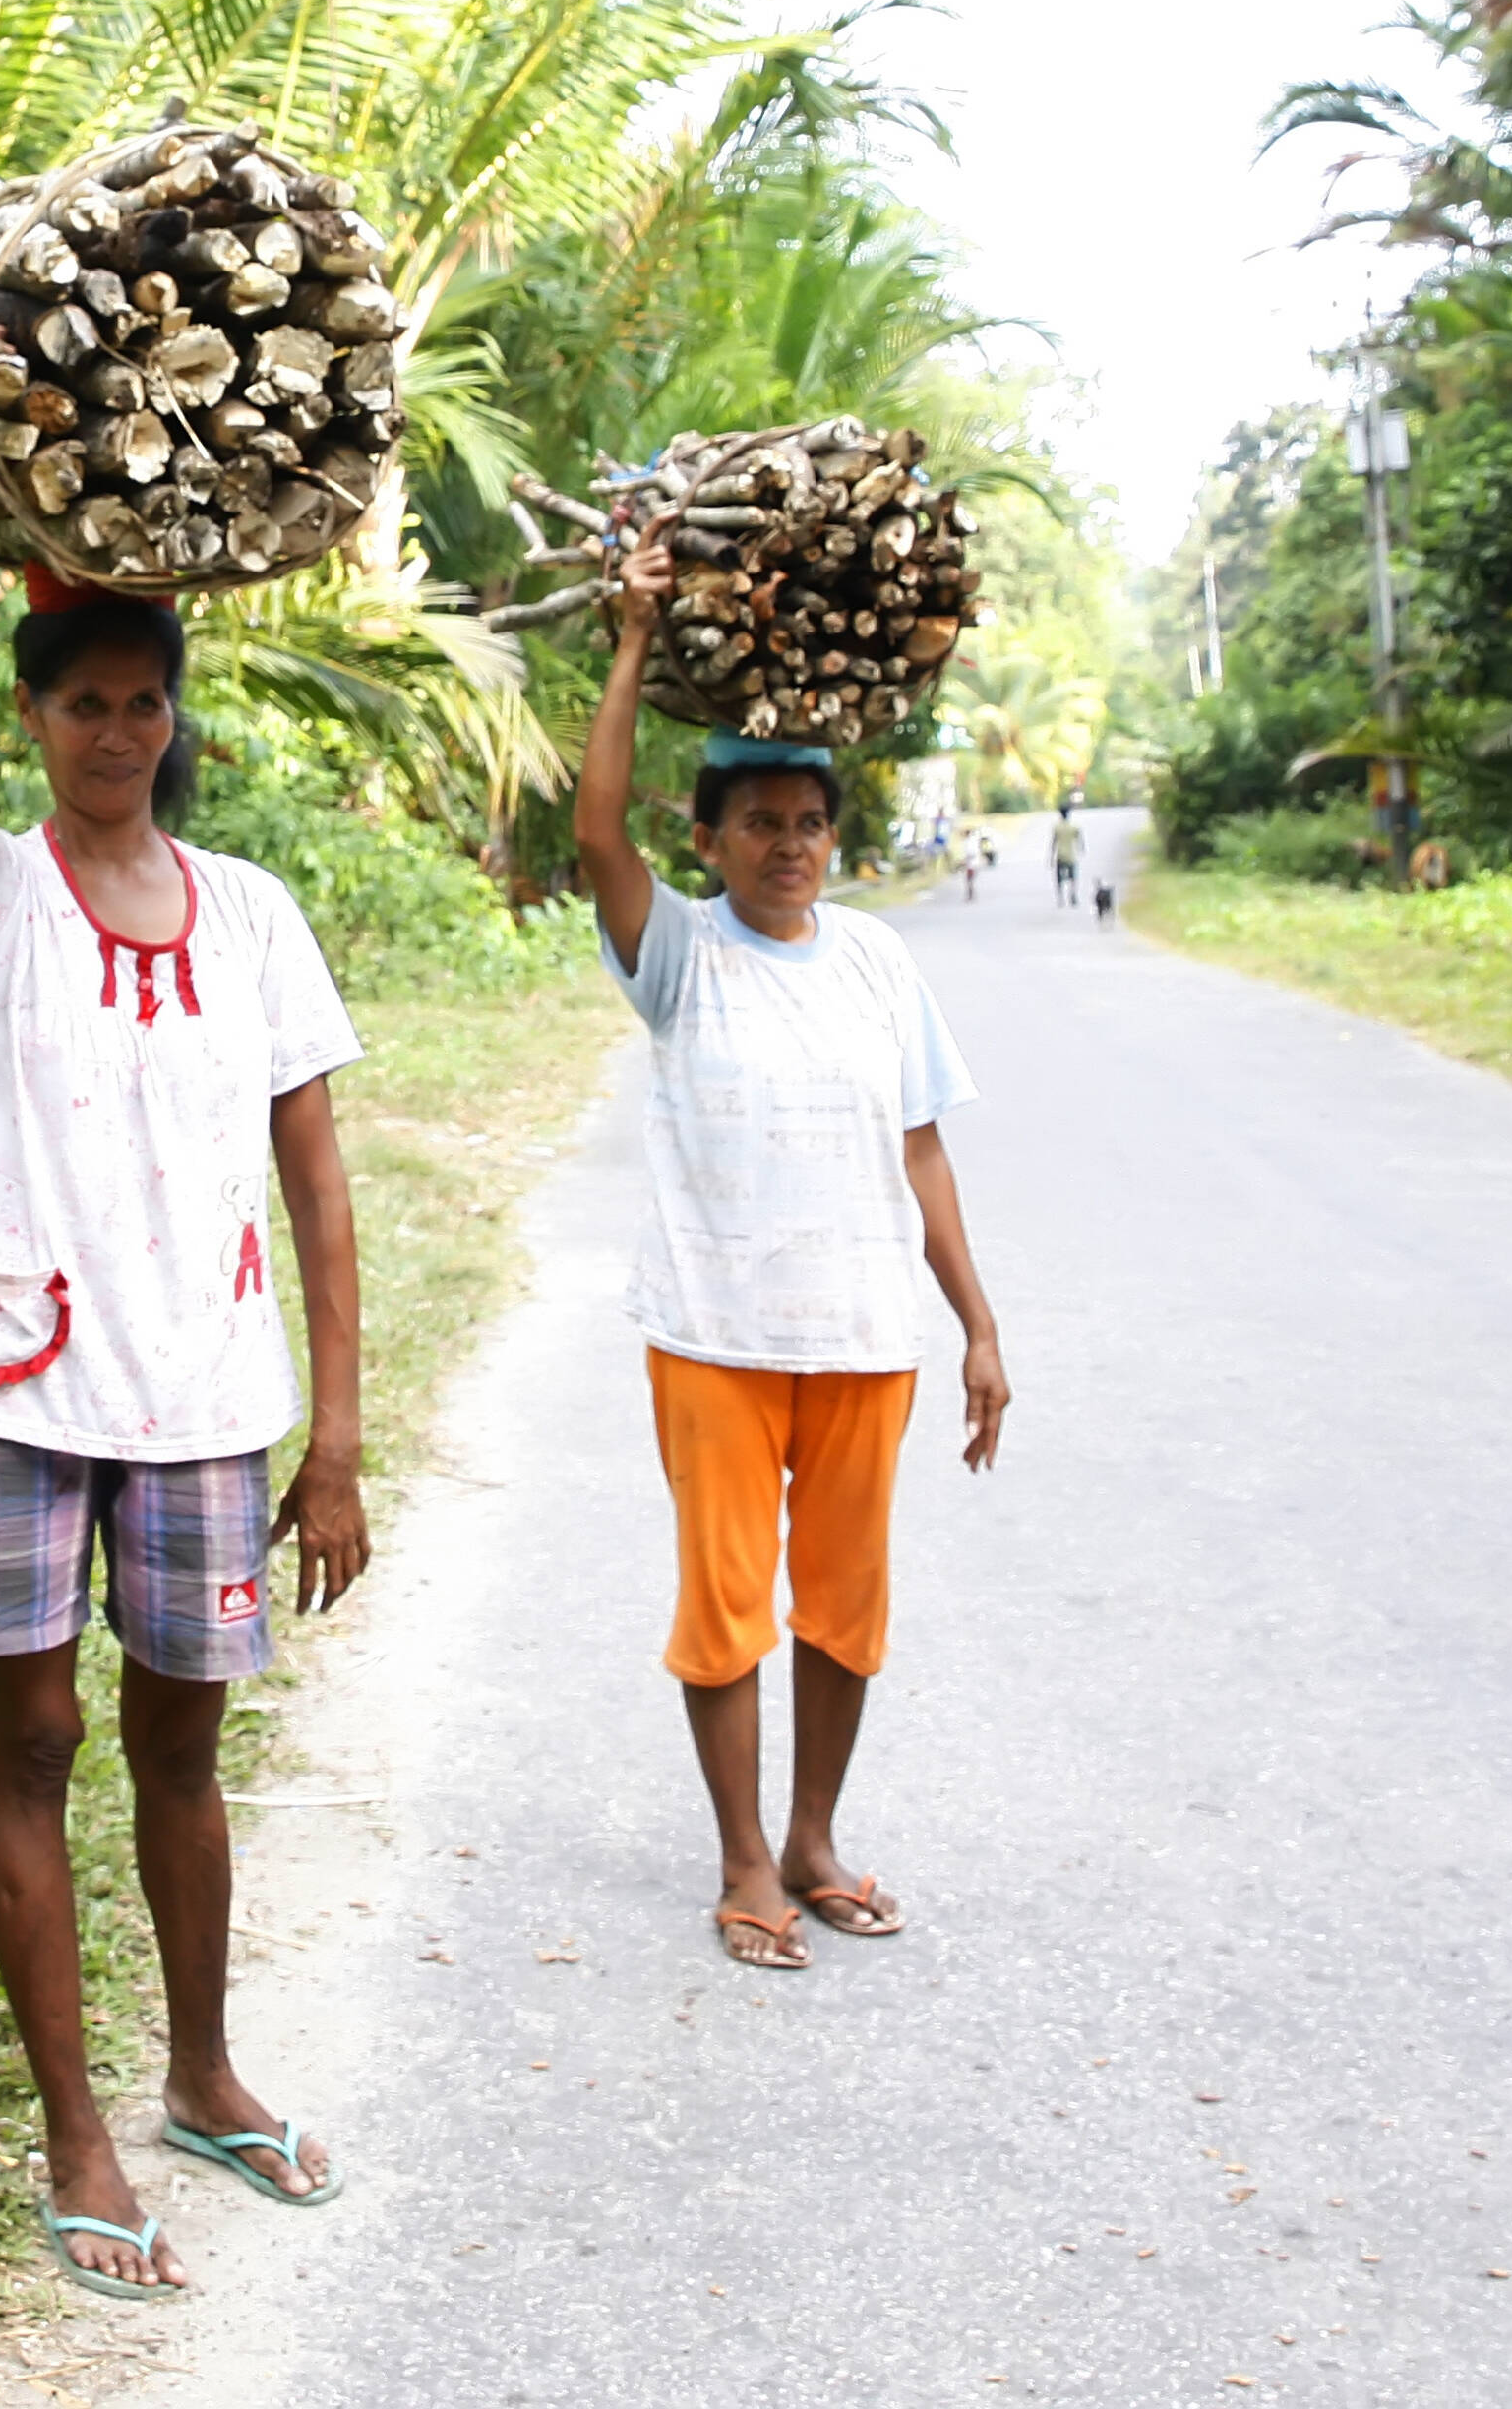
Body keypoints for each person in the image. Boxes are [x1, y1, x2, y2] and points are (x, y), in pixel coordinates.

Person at [0, 309, 372, 2302]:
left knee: (184, 1747)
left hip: (202, 1396)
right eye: (79, 704)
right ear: (36, 720)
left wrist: (335, 1433)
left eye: (140, 705)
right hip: (2, 1382)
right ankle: (79, 2129)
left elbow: (318, 1186)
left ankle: (205, 2077)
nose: (113, 733)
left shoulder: (251, 917)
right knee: (36, 1737)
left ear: (175, 718)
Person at [575, 521, 1009, 1972]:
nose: (786, 847)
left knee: (845, 1609)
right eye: (756, 823)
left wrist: (980, 1327)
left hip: (865, 1339)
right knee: (725, 1611)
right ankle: (746, 1857)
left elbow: (922, 1147)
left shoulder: (880, 960)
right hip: (713, 1333)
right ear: (708, 841)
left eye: (808, 825)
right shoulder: (681, 955)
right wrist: (634, 636)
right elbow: (593, 832)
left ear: (835, 839)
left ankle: (816, 1834)